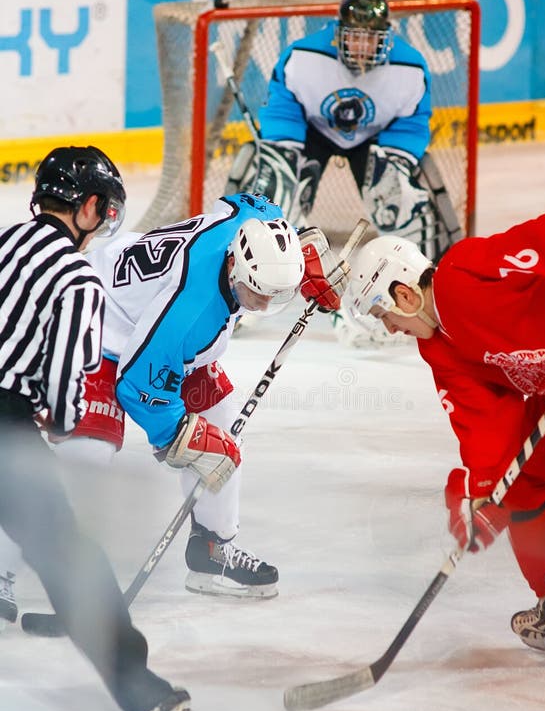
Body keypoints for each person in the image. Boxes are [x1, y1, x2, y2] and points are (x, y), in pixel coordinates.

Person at [0, 146, 243, 711]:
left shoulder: (6, 240)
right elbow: (63, 403)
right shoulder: (77, 279)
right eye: (104, 210)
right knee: (71, 559)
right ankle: (143, 693)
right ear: (86, 208)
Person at [4, 192, 348, 610]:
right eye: (258, 294)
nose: (265, 305)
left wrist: (300, 248)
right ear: (235, 265)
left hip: (149, 311)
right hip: (103, 321)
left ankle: (211, 551)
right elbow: (136, 385)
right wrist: (182, 438)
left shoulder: (253, 228)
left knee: (222, 422)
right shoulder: (192, 312)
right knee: (88, 452)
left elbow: (244, 205)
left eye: (276, 296)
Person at [345, 207, 545, 662]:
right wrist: (485, 496)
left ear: (404, 294)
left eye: (384, 314)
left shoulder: (463, 272)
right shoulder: (438, 347)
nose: (389, 328)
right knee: (515, 482)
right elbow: (483, 423)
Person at [227, 0, 436, 250]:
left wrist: (398, 157)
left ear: (386, 36)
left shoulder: (410, 67)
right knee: (279, 192)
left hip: (376, 137)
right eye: (354, 37)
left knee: (398, 197)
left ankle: (413, 266)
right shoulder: (303, 55)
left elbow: (412, 121)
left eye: (370, 38)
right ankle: (269, 259)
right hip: (312, 130)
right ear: (339, 33)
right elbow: (282, 104)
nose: (362, 47)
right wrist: (283, 146)